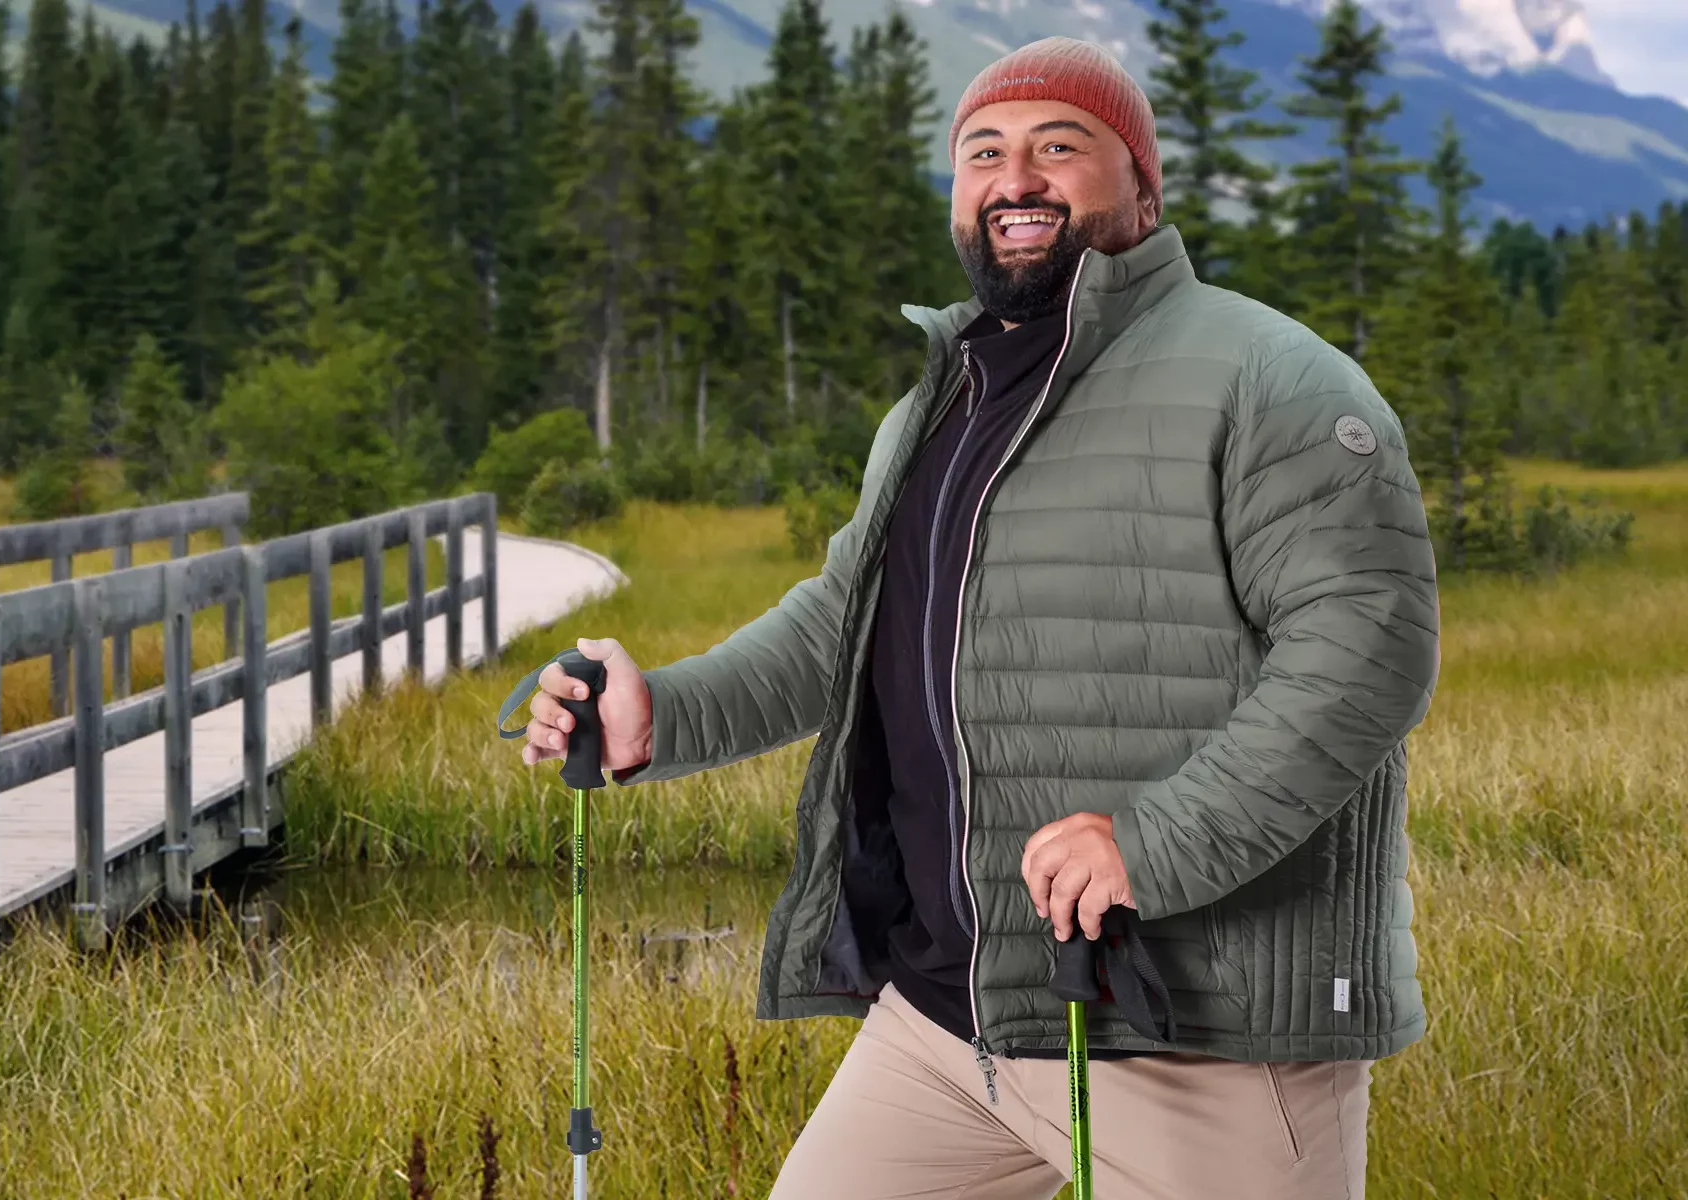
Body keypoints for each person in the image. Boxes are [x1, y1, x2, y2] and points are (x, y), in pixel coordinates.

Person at [514, 35, 1440, 1199]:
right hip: (951, 1023)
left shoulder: (1272, 380)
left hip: (1196, 1034)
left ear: (1141, 186)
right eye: (981, 153)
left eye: (1059, 147)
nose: (1015, 179)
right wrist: (666, 715)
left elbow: (1364, 655)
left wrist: (1149, 842)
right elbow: (839, 625)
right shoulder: (941, 398)